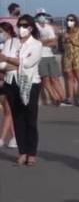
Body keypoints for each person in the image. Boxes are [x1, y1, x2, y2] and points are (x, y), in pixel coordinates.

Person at [0, 15, 44, 165]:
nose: (21, 28)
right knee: (17, 119)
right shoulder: (11, 42)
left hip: (30, 83)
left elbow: (28, 63)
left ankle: (32, 153)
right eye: (20, 25)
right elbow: (2, 65)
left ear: (31, 28)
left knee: (30, 118)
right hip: (11, 83)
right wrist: (12, 62)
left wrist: (8, 59)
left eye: (25, 26)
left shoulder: (36, 44)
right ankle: (22, 151)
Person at [35, 12, 65, 106]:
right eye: (40, 15)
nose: (42, 17)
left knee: (55, 78)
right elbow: (36, 42)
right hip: (40, 57)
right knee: (46, 79)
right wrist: (47, 41)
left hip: (50, 56)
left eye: (43, 15)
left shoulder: (49, 28)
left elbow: (54, 42)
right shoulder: (35, 27)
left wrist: (42, 42)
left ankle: (63, 98)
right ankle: (55, 99)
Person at [0, 22, 18, 148]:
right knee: (8, 111)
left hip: (8, 80)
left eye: (1, 31)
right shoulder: (4, 44)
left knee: (8, 111)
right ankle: (15, 137)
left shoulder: (14, 43)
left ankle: (1, 139)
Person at [62, 14, 79, 106]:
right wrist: (64, 40)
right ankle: (70, 98)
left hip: (77, 56)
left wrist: (71, 40)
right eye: (68, 20)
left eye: (71, 20)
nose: (69, 21)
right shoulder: (65, 32)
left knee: (78, 77)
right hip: (67, 56)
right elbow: (63, 45)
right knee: (69, 77)